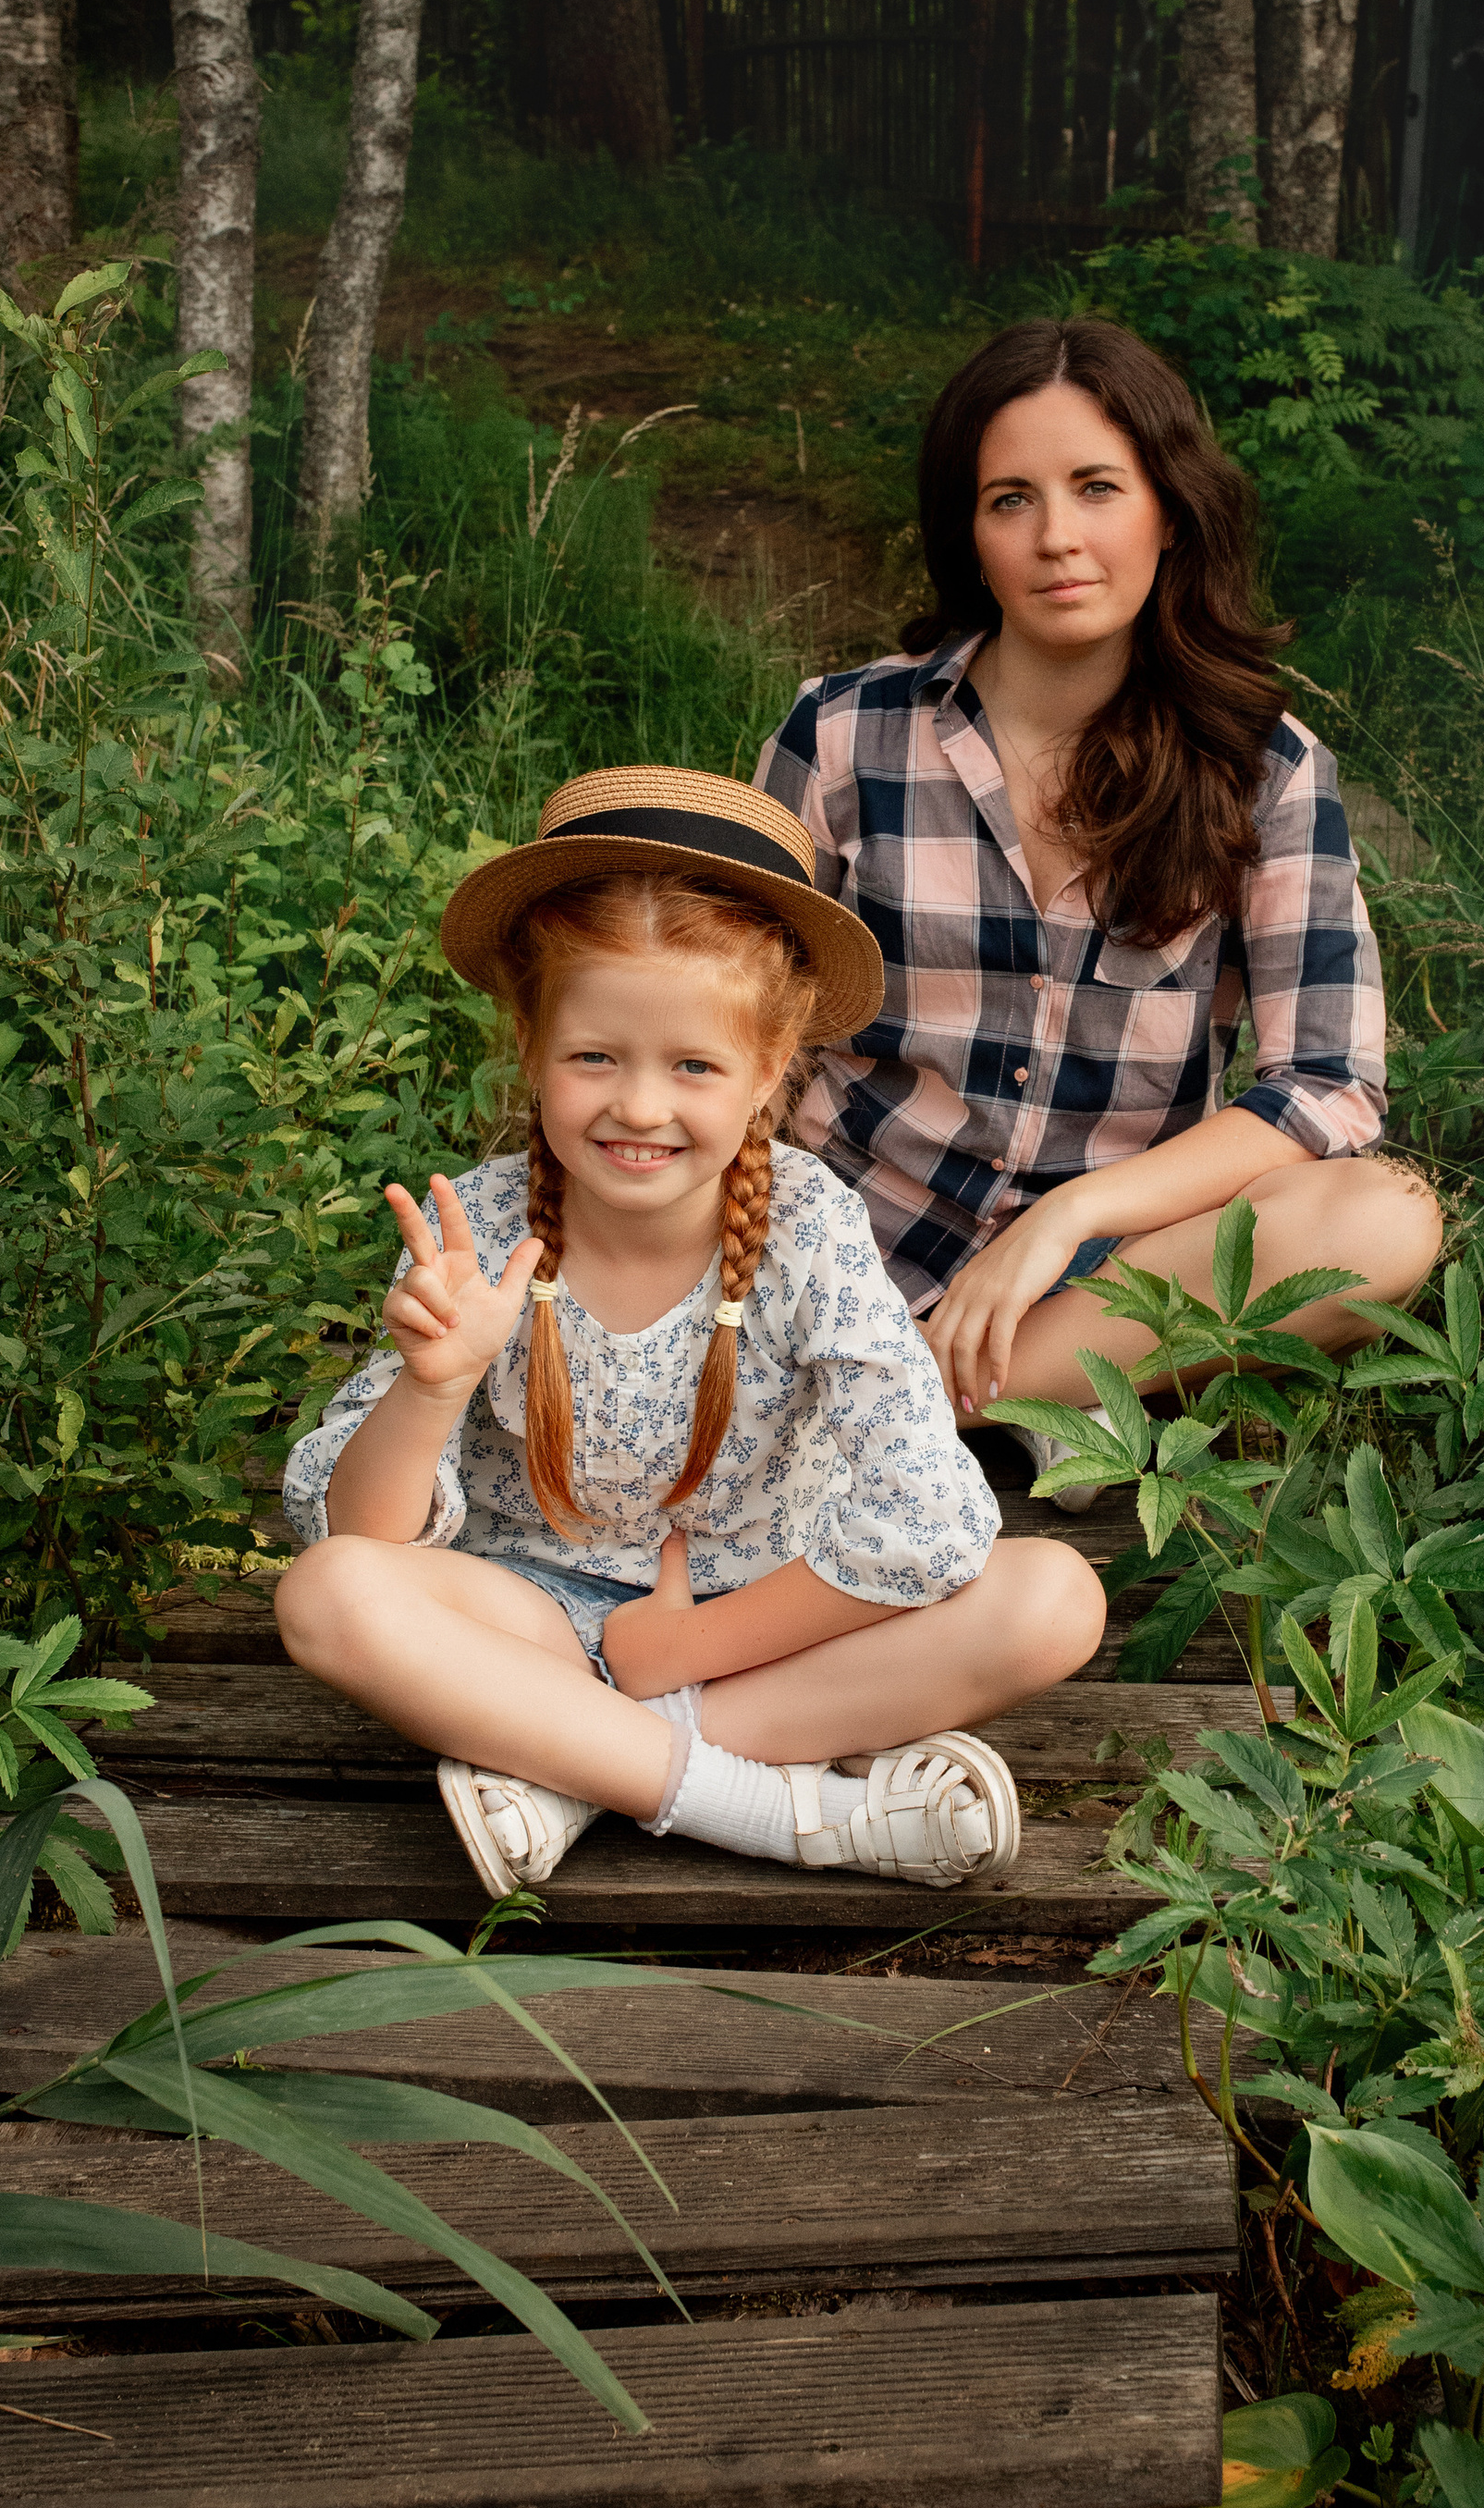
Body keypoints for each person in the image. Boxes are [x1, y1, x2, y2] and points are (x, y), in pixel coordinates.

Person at [276, 767, 1105, 1899]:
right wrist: (431, 1386)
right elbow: (353, 1533)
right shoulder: (484, 1222)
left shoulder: (807, 1225)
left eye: (695, 1066)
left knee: (1053, 1598)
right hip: (532, 1617)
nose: (640, 1107)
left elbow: (932, 1509)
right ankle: (771, 1807)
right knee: (325, 1596)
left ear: (770, 1072)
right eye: (594, 1057)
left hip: (770, 1626)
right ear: (528, 1043)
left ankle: (571, 1764)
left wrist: (690, 1651)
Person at [755, 316, 1441, 1503]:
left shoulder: (1262, 768)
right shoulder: (843, 732)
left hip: (1103, 1277)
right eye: (1010, 498)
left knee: (1389, 1218)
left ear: (1168, 512)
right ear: (969, 535)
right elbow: (745, 1019)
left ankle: (926, 1397)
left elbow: (1329, 1080)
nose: (1057, 537)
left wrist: (1070, 1216)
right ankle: (1003, 1415)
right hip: (848, 1239)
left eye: (1096, 488)